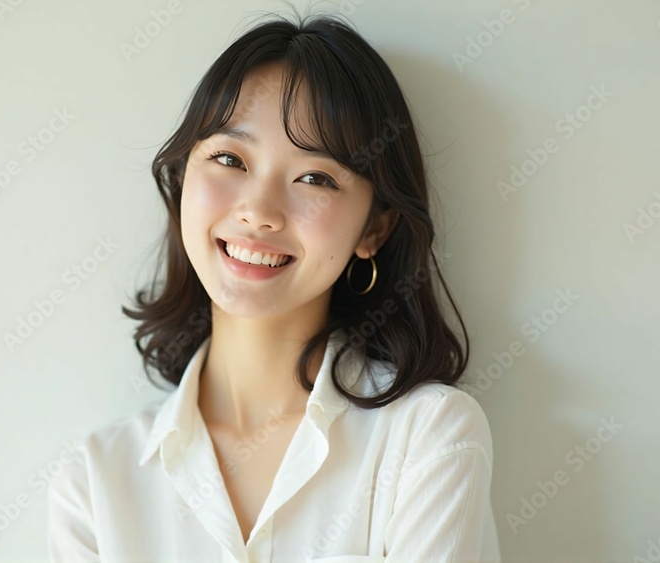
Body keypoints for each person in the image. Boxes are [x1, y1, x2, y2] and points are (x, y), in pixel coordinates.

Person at [48, 10, 501, 562]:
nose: (259, 212)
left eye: (315, 177)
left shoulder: (427, 439)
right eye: (229, 158)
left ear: (374, 228)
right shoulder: (95, 481)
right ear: (183, 180)